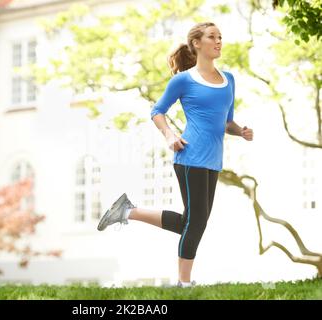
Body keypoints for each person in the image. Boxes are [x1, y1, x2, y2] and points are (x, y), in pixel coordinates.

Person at [97, 22, 254, 288]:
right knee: (196, 223)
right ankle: (184, 283)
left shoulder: (229, 80)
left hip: (214, 160)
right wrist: (170, 135)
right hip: (190, 156)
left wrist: (241, 131)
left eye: (220, 37)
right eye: (211, 37)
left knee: (192, 222)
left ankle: (129, 211)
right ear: (196, 43)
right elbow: (157, 111)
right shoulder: (183, 80)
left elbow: (227, 122)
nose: (218, 41)